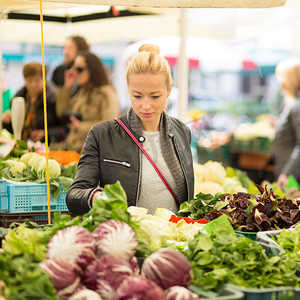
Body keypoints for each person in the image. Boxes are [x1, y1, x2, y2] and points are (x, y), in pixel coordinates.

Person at [66, 44, 194, 216]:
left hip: (174, 238)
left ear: (169, 90)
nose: (145, 105)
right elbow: (74, 195)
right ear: (128, 90)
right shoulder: (102, 135)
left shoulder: (181, 132)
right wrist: (96, 196)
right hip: (127, 237)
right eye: (137, 96)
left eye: (155, 96)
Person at [55, 51, 120, 152]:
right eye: (74, 69)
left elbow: (110, 125)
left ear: (92, 70)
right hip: (74, 149)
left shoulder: (106, 93)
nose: (75, 73)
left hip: (92, 153)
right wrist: (67, 88)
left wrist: (80, 126)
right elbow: (61, 112)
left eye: (79, 69)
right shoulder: (82, 92)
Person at [2, 62, 64, 144]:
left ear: (44, 79)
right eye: (29, 81)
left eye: (37, 80)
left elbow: (64, 129)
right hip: (24, 145)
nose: (33, 85)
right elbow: (15, 131)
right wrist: (8, 122)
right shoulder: (20, 98)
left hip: (47, 147)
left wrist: (45, 133)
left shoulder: (54, 98)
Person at [273, 58, 300, 189]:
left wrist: (287, 173)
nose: (280, 82)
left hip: (293, 177)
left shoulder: (297, 106)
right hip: (287, 171)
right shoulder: (291, 102)